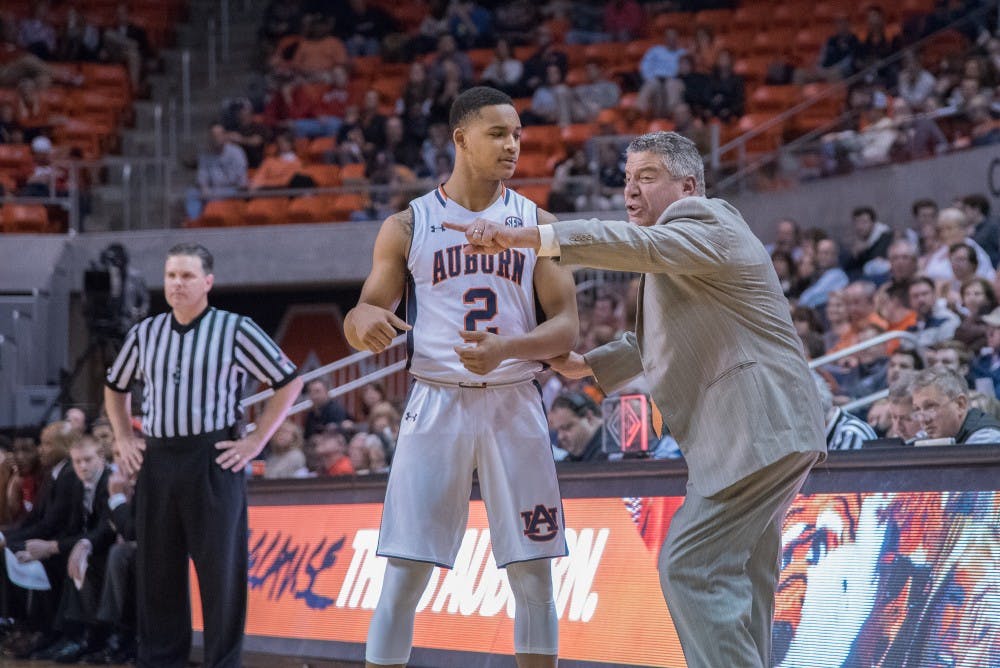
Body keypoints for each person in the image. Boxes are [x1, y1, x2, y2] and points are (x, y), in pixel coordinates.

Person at [449, 130, 826, 667]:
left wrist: (524, 235)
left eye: (646, 178)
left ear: (688, 186)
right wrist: (588, 365)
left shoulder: (706, 220)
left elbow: (635, 248)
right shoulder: (684, 252)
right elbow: (653, 339)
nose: (630, 192)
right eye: (627, 180)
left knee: (689, 566)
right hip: (772, 427)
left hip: (757, 424)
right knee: (747, 572)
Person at [344, 86, 578, 668]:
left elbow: (567, 329)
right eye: (498, 133)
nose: (513, 145)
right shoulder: (408, 224)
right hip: (437, 402)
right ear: (460, 138)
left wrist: (509, 348)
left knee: (533, 575)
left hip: (513, 401)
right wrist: (361, 320)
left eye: (518, 134)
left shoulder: (536, 224)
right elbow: (361, 315)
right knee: (404, 573)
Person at [104, 243, 303, 668]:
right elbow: (114, 387)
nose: (177, 283)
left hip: (212, 458)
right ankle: (161, 660)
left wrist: (254, 442)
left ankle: (223, 663)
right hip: (158, 460)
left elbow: (288, 382)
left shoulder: (235, 329)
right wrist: (123, 437)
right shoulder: (145, 332)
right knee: (157, 573)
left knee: (221, 575)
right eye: (171, 275)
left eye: (187, 276)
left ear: (207, 282)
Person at [910, 367, 1000, 444]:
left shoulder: (986, 439)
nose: (922, 420)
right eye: (917, 409)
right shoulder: (928, 436)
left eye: (930, 407)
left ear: (960, 404)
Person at [548, 392, 607, 462]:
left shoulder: (611, 451)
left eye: (566, 427)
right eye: (557, 431)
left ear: (589, 417)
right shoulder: (575, 457)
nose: (560, 437)